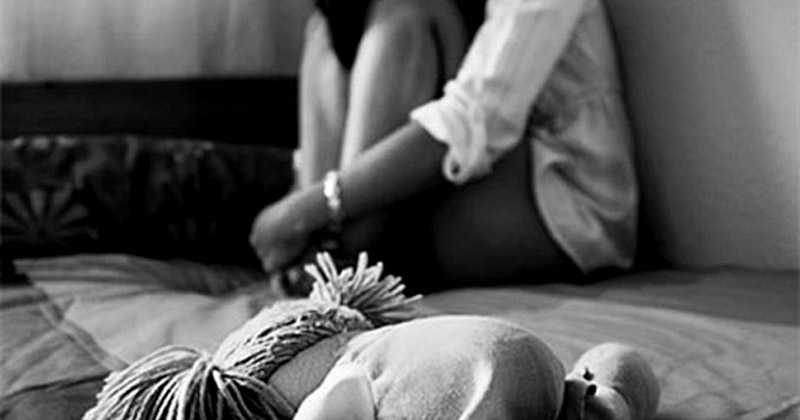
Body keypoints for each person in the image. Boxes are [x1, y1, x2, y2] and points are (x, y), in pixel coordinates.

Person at [250, 0, 638, 289]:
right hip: (456, 176)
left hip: (563, 201)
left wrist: (307, 209)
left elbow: (476, 120)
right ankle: (317, 249)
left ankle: (334, 251)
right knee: (332, 23)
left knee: (405, 10)